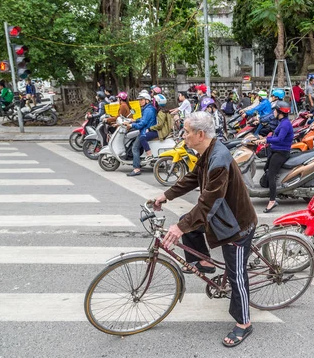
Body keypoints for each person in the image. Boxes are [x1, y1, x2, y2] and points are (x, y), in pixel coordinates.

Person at [151, 111, 257, 347]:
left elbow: (208, 202)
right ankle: (206, 262)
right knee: (187, 223)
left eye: (186, 132)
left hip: (236, 224)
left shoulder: (218, 159)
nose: (183, 135)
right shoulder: (207, 151)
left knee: (237, 274)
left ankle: (244, 324)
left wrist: (179, 227)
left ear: (199, 134)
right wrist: (166, 195)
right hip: (221, 214)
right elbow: (192, 178)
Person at [254, 101, 294, 213]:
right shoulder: (281, 122)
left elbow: (280, 139)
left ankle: (272, 200)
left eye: (275, 110)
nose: (274, 112)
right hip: (276, 150)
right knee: (266, 168)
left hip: (281, 152)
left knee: (271, 174)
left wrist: (265, 140)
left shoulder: (285, 124)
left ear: (280, 112)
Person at [126, 91, 158, 177]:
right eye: (139, 100)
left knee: (135, 147)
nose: (140, 101)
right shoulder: (147, 108)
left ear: (147, 100)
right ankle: (138, 162)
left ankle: (136, 169)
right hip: (145, 130)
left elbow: (143, 123)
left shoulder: (148, 109)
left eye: (141, 100)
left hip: (146, 131)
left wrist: (132, 125)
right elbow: (143, 119)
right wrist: (135, 120)